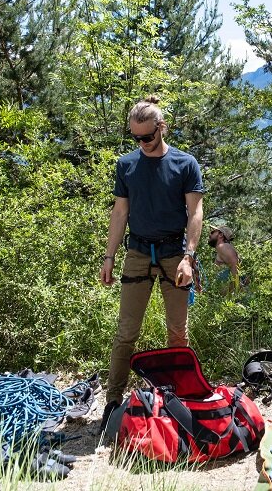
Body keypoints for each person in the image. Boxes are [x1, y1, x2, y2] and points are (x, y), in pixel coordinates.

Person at [99, 96, 204, 431]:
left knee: (177, 332)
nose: (141, 143)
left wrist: (189, 256)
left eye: (146, 136)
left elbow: (196, 213)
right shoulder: (126, 165)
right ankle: (112, 402)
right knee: (126, 332)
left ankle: (182, 398)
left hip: (175, 252)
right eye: (135, 138)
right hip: (138, 253)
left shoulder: (185, 164)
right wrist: (109, 257)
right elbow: (120, 212)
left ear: (162, 128)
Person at [208, 223, 242, 294]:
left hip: (230, 298)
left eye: (213, 232)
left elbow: (235, 268)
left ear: (220, 235)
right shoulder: (223, 248)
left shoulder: (223, 247)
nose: (210, 235)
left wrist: (233, 293)